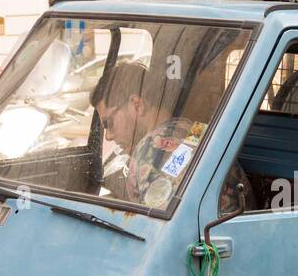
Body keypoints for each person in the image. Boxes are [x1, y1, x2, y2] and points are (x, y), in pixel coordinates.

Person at [90, 60, 245, 213]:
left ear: (137, 105)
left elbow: (154, 229)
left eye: (108, 123)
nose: (108, 136)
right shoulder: (193, 128)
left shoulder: (150, 149)